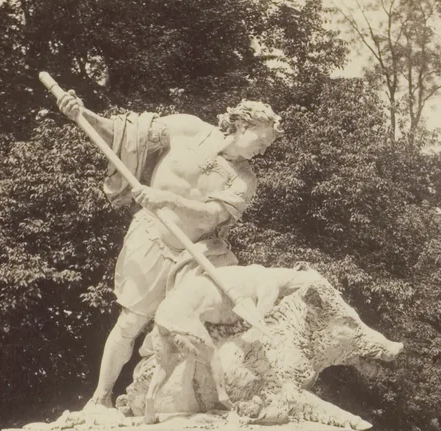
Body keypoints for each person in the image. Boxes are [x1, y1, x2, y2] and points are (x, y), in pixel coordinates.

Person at [54, 89, 281, 409]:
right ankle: (101, 398)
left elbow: (212, 215)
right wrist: (81, 112)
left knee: (210, 322)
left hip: (197, 254)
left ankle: (198, 399)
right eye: (262, 141)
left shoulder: (245, 179)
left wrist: (168, 199)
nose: (263, 151)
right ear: (245, 126)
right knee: (130, 324)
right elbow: (123, 136)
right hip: (152, 237)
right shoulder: (187, 128)